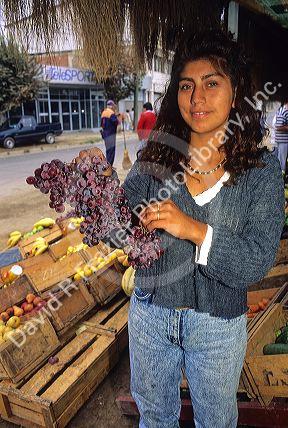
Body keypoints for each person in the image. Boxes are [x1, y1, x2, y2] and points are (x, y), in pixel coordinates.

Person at [80, 31, 285, 427]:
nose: (197, 99)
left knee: (216, 421)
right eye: (187, 86)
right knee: (155, 419)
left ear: (236, 89)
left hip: (218, 325)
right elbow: (120, 232)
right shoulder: (157, 156)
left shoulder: (261, 173)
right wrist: (100, 190)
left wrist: (193, 229)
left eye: (212, 84)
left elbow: (256, 262)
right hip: (151, 316)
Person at [100, 100, 120, 166]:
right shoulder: (111, 113)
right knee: (111, 151)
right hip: (111, 135)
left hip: (105, 134)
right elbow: (116, 122)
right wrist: (118, 118)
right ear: (111, 106)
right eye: (113, 105)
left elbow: (102, 124)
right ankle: (109, 166)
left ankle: (107, 165)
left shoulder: (104, 112)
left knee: (108, 150)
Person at [274, 100, 288, 175]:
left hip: (284, 141)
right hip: (278, 140)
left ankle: (283, 178)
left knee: (282, 162)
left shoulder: (286, 111)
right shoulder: (279, 109)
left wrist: (279, 128)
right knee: (278, 160)